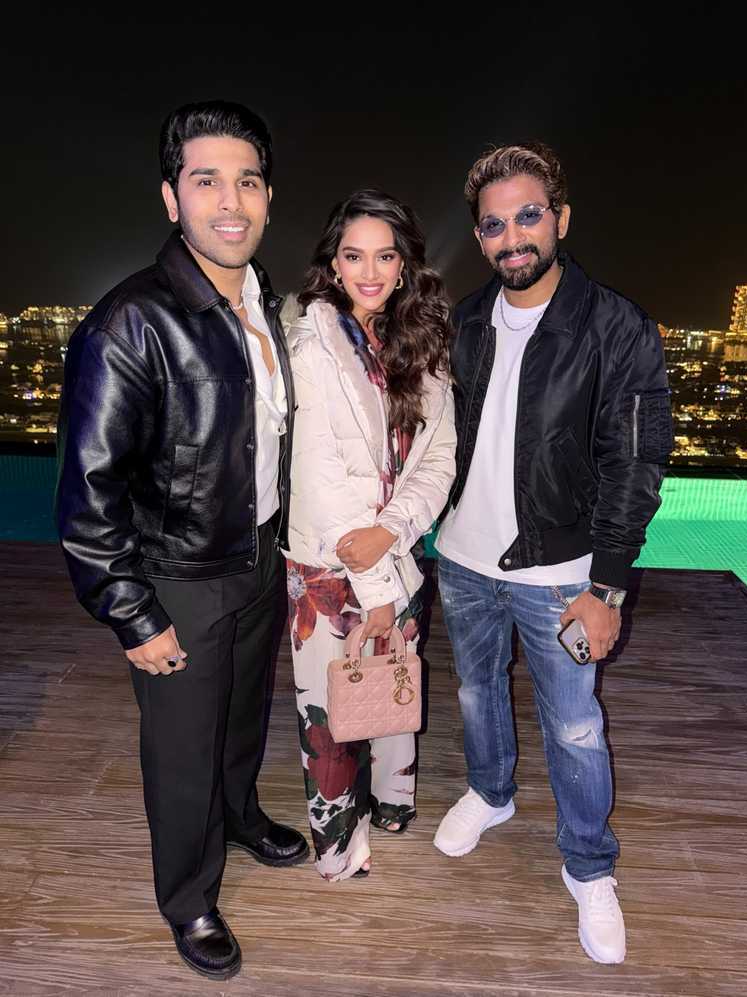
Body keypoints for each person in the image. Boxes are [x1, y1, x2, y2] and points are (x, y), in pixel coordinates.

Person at [55, 100, 308, 982]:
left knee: (241, 718)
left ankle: (238, 814)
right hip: (178, 581)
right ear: (172, 198)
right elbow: (87, 494)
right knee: (181, 751)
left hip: (257, 557)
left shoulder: (265, 301)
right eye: (207, 181)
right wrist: (133, 614)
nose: (230, 201)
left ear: (268, 196)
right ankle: (189, 895)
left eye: (248, 181)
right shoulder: (131, 321)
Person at [434, 142, 673, 964]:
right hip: (462, 561)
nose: (512, 238)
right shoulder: (465, 320)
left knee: (574, 725)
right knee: (475, 693)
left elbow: (635, 464)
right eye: (494, 225)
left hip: (564, 576)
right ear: (480, 236)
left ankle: (589, 864)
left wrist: (607, 587)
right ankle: (491, 791)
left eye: (528, 216)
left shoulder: (615, 325)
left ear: (561, 219)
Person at [283, 189, 455, 881]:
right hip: (330, 565)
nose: (370, 271)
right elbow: (319, 476)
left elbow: (439, 458)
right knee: (332, 710)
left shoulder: (422, 340)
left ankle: (391, 799)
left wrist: (392, 532)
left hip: (398, 549)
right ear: (333, 262)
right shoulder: (311, 343)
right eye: (354, 256)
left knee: (390, 689)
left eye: (385, 256)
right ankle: (339, 848)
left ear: (406, 264)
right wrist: (374, 583)